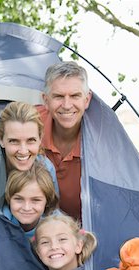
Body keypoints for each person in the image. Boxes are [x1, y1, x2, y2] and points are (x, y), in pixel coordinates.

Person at [37, 61, 92, 221]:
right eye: (58, 96)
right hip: (30, 226)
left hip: (83, 229)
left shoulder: (100, 139)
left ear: (87, 99)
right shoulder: (30, 125)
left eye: (75, 96)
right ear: (45, 100)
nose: (67, 105)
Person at [0, 101, 59, 195]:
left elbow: (52, 208)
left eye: (31, 140)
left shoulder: (46, 168)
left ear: (40, 138)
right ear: (1, 139)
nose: (23, 151)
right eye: (14, 141)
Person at [3, 162, 59, 238]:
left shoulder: (58, 226)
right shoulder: (0, 221)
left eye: (35, 200)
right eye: (19, 199)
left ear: (47, 201)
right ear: (9, 198)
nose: (27, 208)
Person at [32, 213, 96, 270]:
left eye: (62, 239)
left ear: (78, 246)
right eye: (45, 242)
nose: (54, 247)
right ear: (38, 252)